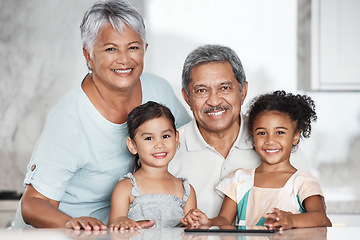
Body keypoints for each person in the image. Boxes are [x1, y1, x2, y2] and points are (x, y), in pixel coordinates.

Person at [14, 0, 191, 230]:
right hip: (62, 233)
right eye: (110, 49)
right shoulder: (68, 118)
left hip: (116, 232)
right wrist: (70, 222)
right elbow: (33, 204)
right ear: (88, 55)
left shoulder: (159, 91)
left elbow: (190, 142)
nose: (124, 59)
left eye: (133, 47)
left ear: (145, 49)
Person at [168, 45, 309, 218]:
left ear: (243, 92)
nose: (214, 101)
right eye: (201, 90)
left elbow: (313, 219)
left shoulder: (277, 144)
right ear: (187, 97)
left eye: (225, 88)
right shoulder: (166, 150)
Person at [182, 90, 332, 230]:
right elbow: (224, 221)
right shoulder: (239, 179)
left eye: (280, 132)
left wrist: (291, 220)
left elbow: (322, 219)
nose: (270, 140)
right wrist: (208, 222)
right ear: (253, 137)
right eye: (262, 133)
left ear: (296, 136)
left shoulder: (302, 181)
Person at [108, 101, 196, 230]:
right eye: (149, 138)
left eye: (165, 136)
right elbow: (112, 231)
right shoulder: (126, 187)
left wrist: (195, 222)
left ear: (176, 139)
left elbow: (193, 232)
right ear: (132, 145)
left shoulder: (186, 190)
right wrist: (121, 222)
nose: (159, 144)